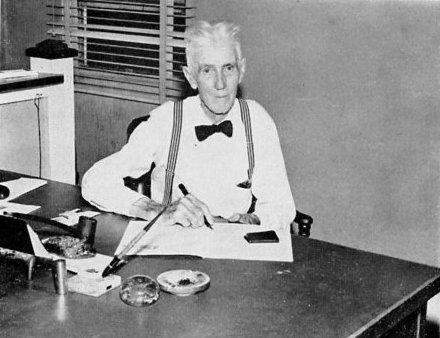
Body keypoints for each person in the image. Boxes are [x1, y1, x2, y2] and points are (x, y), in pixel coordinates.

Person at [81, 21, 295, 229]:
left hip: (235, 246)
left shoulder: (257, 120)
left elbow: (281, 206)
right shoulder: (166, 121)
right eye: (207, 71)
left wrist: (251, 221)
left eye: (228, 68)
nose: (220, 84)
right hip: (174, 243)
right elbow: (95, 180)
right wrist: (154, 209)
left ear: (241, 71)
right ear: (191, 77)